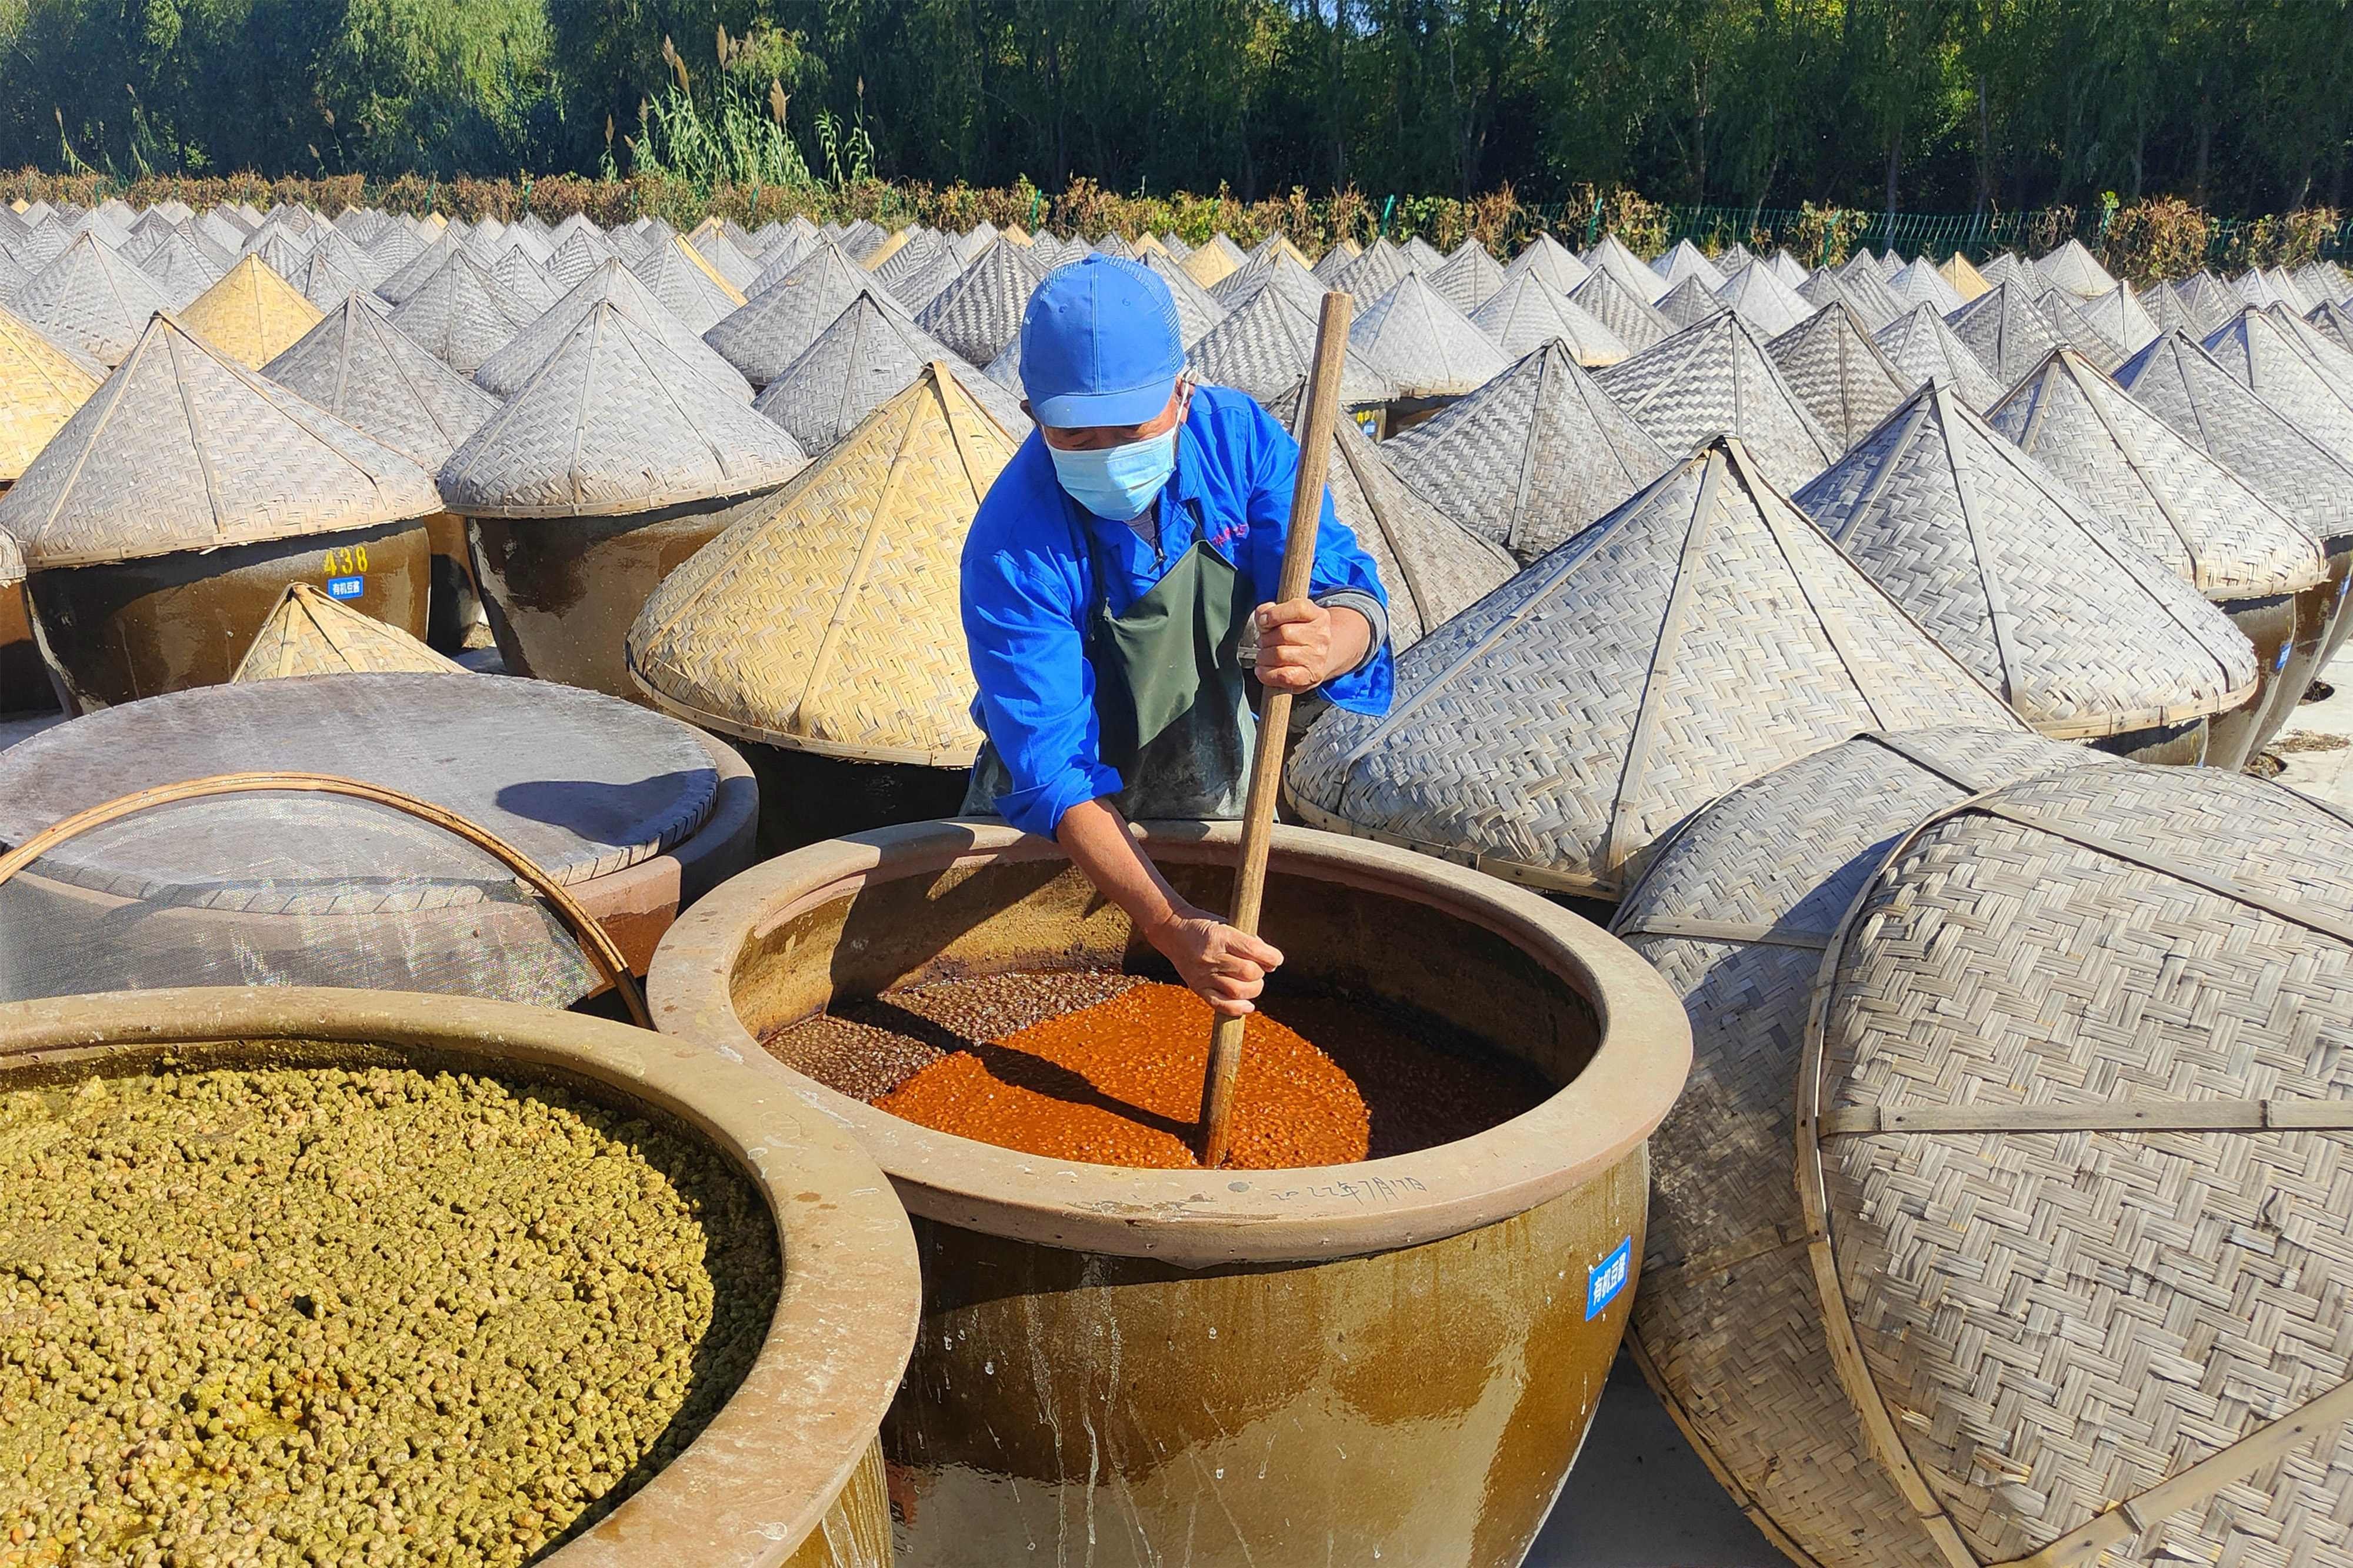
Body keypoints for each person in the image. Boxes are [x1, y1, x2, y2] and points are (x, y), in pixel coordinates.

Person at [961, 255, 1394, 1019]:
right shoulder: (1011, 543)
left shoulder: (1243, 447)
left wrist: (1330, 639)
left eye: (1131, 426)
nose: (1104, 453)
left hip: (1209, 778)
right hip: (1054, 823)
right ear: (1032, 413)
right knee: (1011, 992)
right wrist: (1166, 922)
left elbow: (1345, 589)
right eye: (1074, 432)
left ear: (1183, 391)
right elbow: (1054, 772)